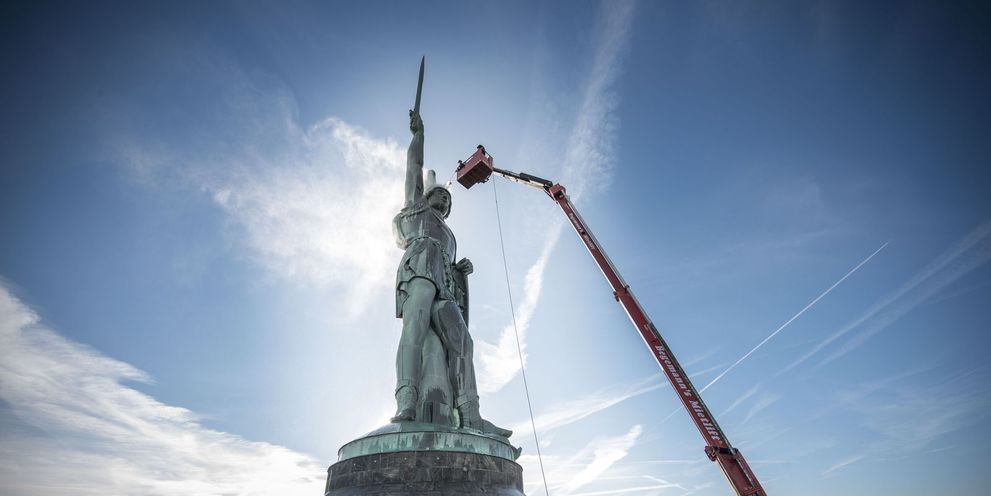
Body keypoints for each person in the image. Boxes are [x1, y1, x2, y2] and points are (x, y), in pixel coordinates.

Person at [391, 111, 510, 438]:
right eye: (438, 195)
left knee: (463, 342)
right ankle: (407, 401)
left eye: (446, 199)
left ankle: (471, 415)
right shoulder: (416, 210)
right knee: (414, 330)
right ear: (427, 198)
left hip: (445, 289)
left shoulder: (451, 236)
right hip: (420, 269)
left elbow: (452, 271)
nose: (442, 199)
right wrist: (419, 135)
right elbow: (413, 169)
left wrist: (460, 271)